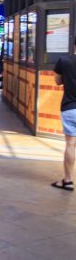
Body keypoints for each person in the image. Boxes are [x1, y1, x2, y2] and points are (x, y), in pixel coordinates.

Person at [53, 47, 76, 191]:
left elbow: (58, 81)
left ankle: (68, 181)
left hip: (70, 107)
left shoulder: (64, 60)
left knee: (70, 144)